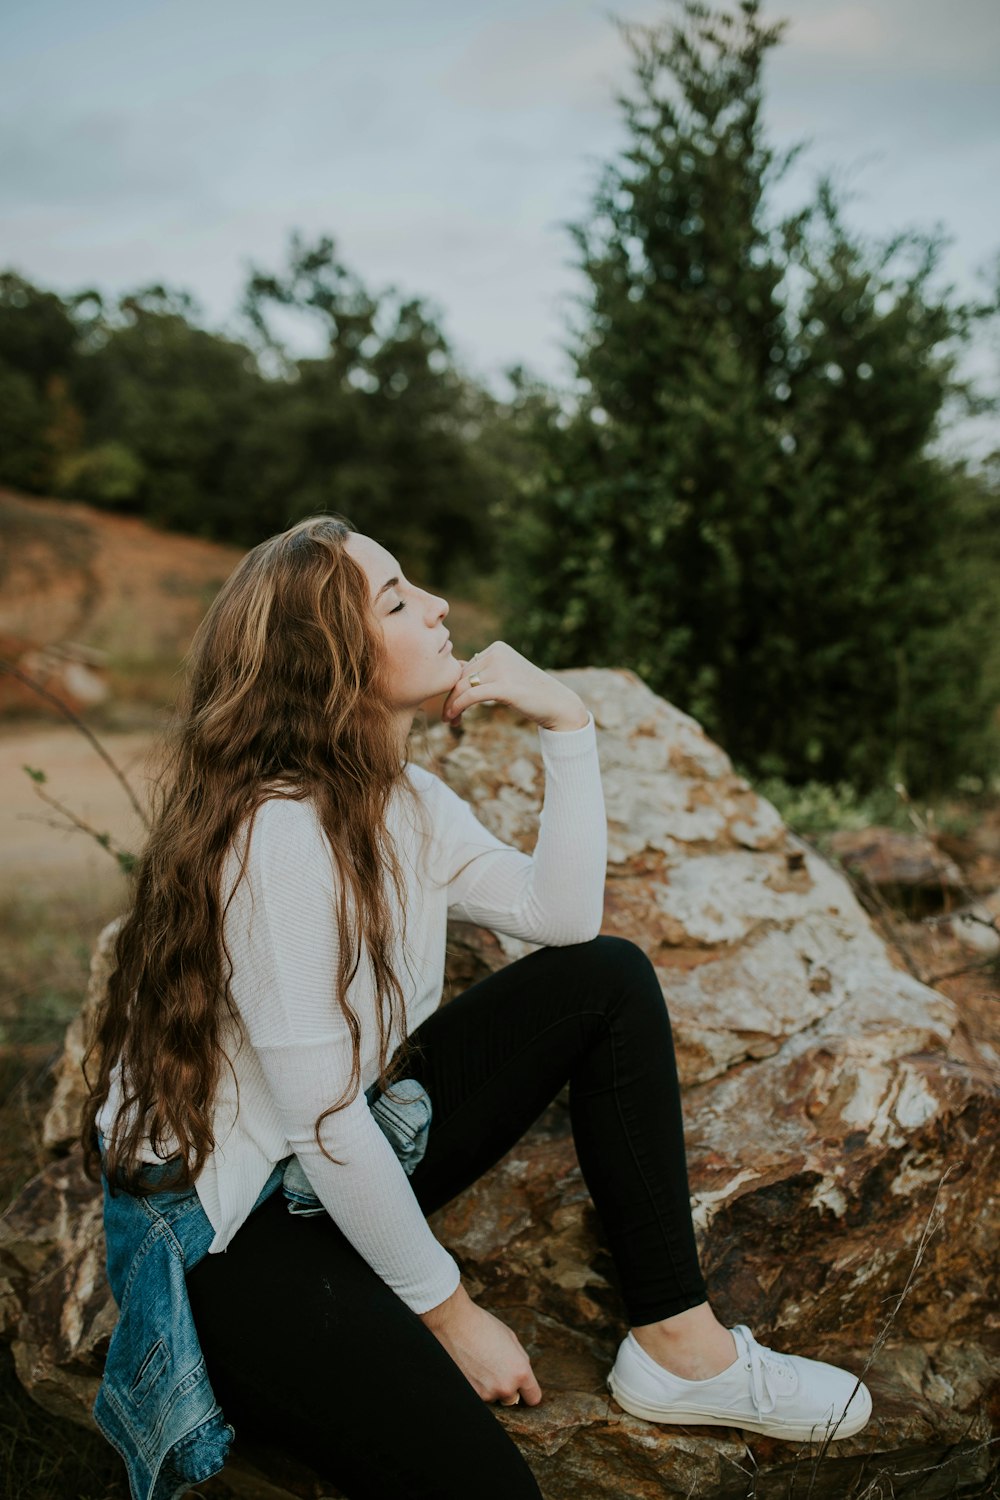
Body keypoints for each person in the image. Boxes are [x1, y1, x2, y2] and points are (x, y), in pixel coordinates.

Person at [82, 514, 871, 1500]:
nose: (441, 607)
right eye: (400, 599)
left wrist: (567, 726)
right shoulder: (276, 837)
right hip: (234, 1232)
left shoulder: (403, 801)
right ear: (331, 658)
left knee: (606, 981)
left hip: (330, 1157)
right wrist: (450, 1315)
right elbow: (324, 1127)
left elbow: (562, 918)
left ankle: (681, 1350)